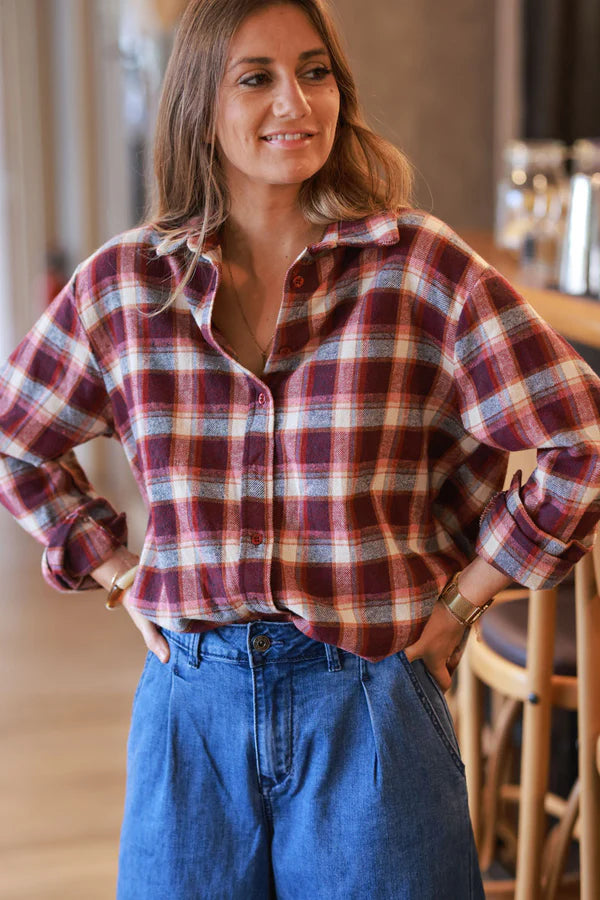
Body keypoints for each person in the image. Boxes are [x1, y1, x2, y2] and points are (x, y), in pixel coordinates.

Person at [1, 1, 600, 897]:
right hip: (188, 717)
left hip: (371, 705)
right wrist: (115, 568)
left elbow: (580, 438)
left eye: (315, 71)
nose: (297, 100)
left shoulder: (420, 269)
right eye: (258, 78)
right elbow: (18, 442)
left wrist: (470, 597)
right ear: (201, 107)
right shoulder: (125, 287)